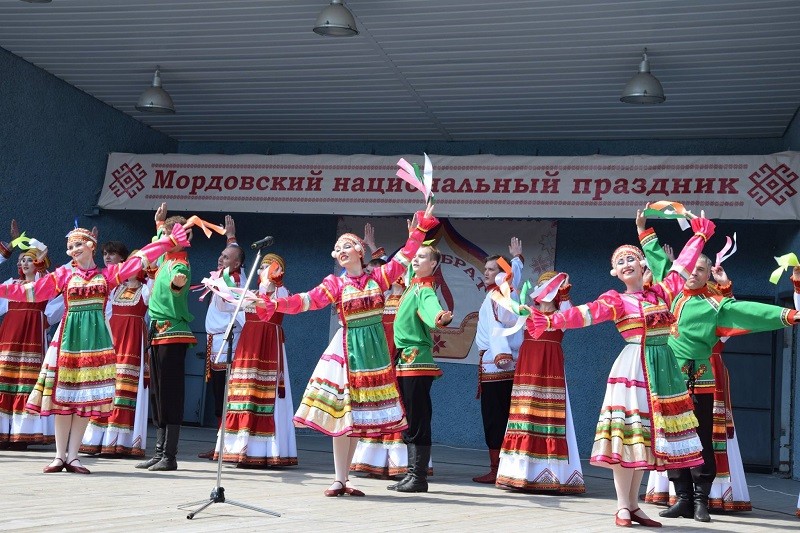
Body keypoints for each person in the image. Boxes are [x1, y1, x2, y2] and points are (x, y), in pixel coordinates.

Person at [526, 208, 716, 528]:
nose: (627, 264)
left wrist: (698, 235)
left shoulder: (663, 292)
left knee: (641, 438)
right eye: (620, 262)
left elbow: (682, 266)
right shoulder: (616, 300)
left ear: (644, 265)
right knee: (626, 436)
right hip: (630, 369)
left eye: (632, 258)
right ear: (614, 272)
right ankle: (622, 506)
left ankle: (635, 506)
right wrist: (550, 319)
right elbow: (584, 314)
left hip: (659, 371)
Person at [257, 203, 438, 497]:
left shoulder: (378, 278)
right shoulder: (335, 283)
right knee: (342, 413)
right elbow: (306, 301)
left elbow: (406, 255)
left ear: (360, 252)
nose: (341, 250)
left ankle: (346, 477)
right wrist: (273, 303)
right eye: (337, 247)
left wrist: (420, 228)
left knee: (356, 418)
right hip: (346, 349)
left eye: (347, 246)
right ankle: (339, 478)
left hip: (372, 353)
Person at [638, 220, 800, 523]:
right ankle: (682, 498)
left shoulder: (716, 305)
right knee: (673, 438)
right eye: (690, 268)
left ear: (707, 275)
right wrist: (644, 230)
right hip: (669, 380)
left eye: (700, 270)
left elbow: (750, 312)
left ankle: (701, 500)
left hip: (698, 378)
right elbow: (659, 260)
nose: (692, 273)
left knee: (700, 439)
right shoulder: (671, 290)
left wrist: (788, 315)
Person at [0, 222, 189, 474]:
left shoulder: (106, 276)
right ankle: (59, 456)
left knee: (85, 399)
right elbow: (31, 290)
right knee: (63, 398)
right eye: (70, 246)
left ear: (91, 246)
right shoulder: (64, 275)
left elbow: (141, 259)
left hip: (95, 343)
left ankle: (74, 456)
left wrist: (167, 242)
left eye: (77, 244)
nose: (72, 250)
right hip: (68, 340)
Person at [495, 271, 585, 494]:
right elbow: (504, 315)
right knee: (523, 413)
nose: (546, 289)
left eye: (551, 286)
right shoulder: (527, 312)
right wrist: (507, 287)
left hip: (550, 369)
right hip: (527, 368)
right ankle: (518, 475)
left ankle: (552, 476)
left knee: (550, 414)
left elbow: (572, 318)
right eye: (543, 285)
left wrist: (564, 295)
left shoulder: (561, 315)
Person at [213, 252, 297, 467]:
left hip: (268, 345)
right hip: (248, 347)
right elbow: (225, 306)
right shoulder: (249, 292)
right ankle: (241, 448)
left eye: (270, 267)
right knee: (243, 391)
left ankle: (265, 451)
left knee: (265, 393)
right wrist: (219, 285)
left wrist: (271, 282)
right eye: (262, 266)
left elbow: (271, 295)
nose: (264, 270)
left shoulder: (281, 290)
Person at [136, 203, 196, 472]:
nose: (165, 241)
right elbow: (158, 249)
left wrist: (179, 283)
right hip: (157, 332)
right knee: (158, 394)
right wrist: (159, 224)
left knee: (171, 394)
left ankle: (170, 455)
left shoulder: (179, 265)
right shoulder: (164, 262)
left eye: (171, 237)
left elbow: (178, 281)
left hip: (174, 334)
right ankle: (159, 451)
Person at [387, 245, 452, 493]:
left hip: (417, 361)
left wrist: (440, 318)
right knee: (411, 418)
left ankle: (419, 477)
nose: (416, 260)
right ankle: (411, 473)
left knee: (418, 419)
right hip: (405, 361)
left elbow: (432, 308)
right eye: (415, 257)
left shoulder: (424, 290)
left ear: (434, 264)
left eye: (422, 257)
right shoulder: (411, 286)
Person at [81, 241, 152, 457]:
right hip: (113, 341)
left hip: (133, 343)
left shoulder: (147, 289)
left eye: (137, 263)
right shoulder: (115, 288)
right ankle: (99, 440)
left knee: (124, 388)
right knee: (106, 387)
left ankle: (120, 441)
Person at [0, 241, 61, 449]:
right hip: (9, 336)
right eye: (22, 260)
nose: (25, 263)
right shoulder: (11, 283)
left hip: (32, 336)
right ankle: (3, 432)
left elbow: (55, 304)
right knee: (5, 380)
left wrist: (45, 321)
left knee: (27, 380)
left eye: (30, 260)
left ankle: (22, 434)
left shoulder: (43, 285)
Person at [473, 238, 523, 484]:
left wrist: (502, 355)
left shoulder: (497, 296)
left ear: (502, 274)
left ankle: (497, 468)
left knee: (495, 418)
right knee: (503, 417)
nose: (486, 273)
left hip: (497, 365)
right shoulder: (505, 295)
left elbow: (496, 328)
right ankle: (504, 468)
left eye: (491, 270)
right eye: (485, 270)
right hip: (503, 365)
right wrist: (516, 261)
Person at [198, 215, 245, 460]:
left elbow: (238, 306)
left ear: (237, 265)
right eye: (221, 255)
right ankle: (219, 444)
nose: (220, 258)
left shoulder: (236, 282)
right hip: (214, 342)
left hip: (228, 343)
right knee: (218, 395)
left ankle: (225, 445)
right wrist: (230, 237)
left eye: (226, 257)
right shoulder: (222, 279)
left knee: (227, 394)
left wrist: (233, 239)